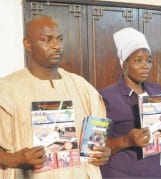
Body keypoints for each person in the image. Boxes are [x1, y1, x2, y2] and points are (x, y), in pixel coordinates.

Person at [0, 15, 111, 178]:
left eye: (59, 39)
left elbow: (96, 140)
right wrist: (13, 158)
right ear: (28, 44)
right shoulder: (7, 90)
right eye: (47, 40)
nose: (56, 46)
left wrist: (103, 152)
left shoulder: (83, 88)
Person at [98, 27, 161, 178]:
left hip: (160, 172)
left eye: (149, 60)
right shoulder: (106, 97)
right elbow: (95, 147)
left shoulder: (157, 90)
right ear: (124, 64)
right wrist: (126, 140)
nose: (145, 65)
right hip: (125, 173)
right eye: (138, 61)